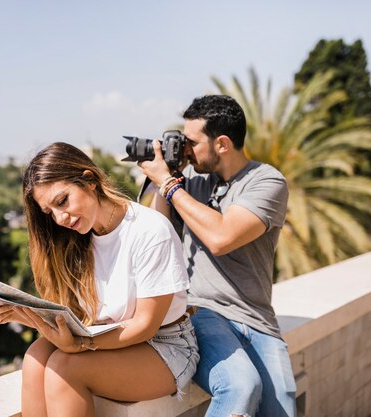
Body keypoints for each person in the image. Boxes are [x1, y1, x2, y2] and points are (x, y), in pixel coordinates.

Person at [0, 142, 199, 417]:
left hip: (164, 346)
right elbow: (75, 318)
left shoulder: (149, 231)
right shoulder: (75, 241)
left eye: (62, 201)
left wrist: (82, 345)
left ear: (89, 180)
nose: (59, 218)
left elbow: (145, 326)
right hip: (105, 334)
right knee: (35, 359)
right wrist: (17, 313)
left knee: (63, 369)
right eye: (49, 212)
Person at [138, 95, 296, 417]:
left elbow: (222, 237)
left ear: (222, 144)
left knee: (283, 411)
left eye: (192, 142)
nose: (187, 149)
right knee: (241, 386)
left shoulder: (266, 182)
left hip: (257, 318)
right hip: (202, 310)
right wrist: (166, 175)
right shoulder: (189, 185)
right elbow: (157, 231)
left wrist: (169, 184)